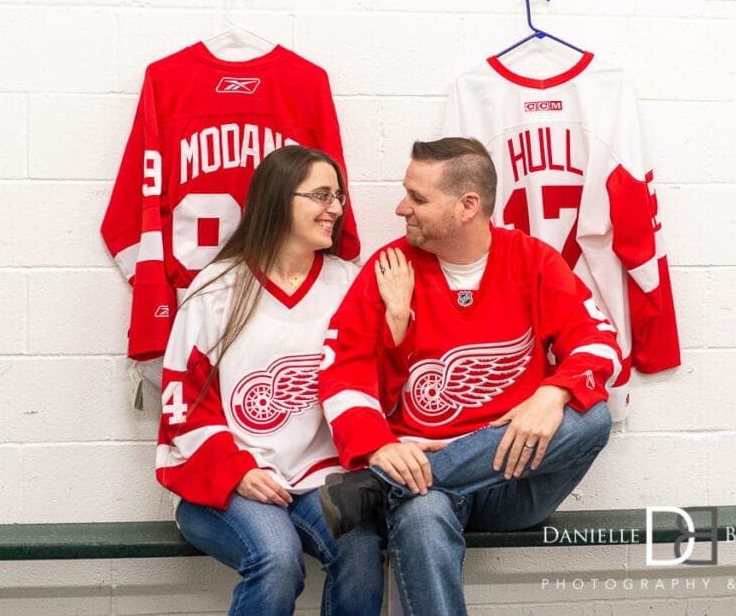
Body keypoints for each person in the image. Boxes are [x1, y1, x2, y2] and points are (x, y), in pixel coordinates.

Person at [317, 137, 618, 615]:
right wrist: (379, 447)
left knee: (594, 417)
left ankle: (379, 490)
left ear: (467, 206)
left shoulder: (533, 260)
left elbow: (600, 342)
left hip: (516, 477)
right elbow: (341, 371)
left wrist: (555, 391)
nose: (401, 208)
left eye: (417, 198)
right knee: (421, 512)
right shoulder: (389, 267)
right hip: (418, 476)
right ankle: (400, 483)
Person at [155, 145, 384, 615]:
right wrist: (238, 470)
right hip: (226, 482)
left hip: (322, 478)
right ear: (279, 199)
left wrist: (397, 318)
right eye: (322, 195)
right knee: (277, 559)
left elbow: (377, 383)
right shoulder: (216, 288)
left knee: (361, 552)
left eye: (338, 196)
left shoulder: (350, 284)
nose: (336, 208)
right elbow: (182, 403)